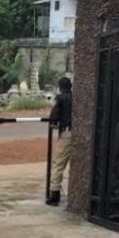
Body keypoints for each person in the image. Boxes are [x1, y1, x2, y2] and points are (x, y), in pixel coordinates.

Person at [47, 77, 73, 206]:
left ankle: (54, 195)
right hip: (80, 132)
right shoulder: (76, 97)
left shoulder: (60, 98)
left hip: (67, 133)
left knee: (58, 163)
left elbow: (53, 117)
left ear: (60, 87)